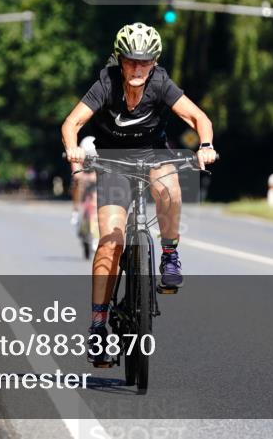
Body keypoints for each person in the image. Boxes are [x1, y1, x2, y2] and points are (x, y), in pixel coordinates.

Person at [61, 22, 217, 366]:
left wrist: (205, 145)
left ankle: (169, 254)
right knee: (110, 241)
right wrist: (73, 153)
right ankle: (99, 329)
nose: (137, 68)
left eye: (145, 62)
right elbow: (71, 123)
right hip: (112, 164)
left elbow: (198, 117)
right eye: (130, 61)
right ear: (120, 60)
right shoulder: (106, 83)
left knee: (170, 188)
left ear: (155, 62)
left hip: (153, 156)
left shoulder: (160, 83)